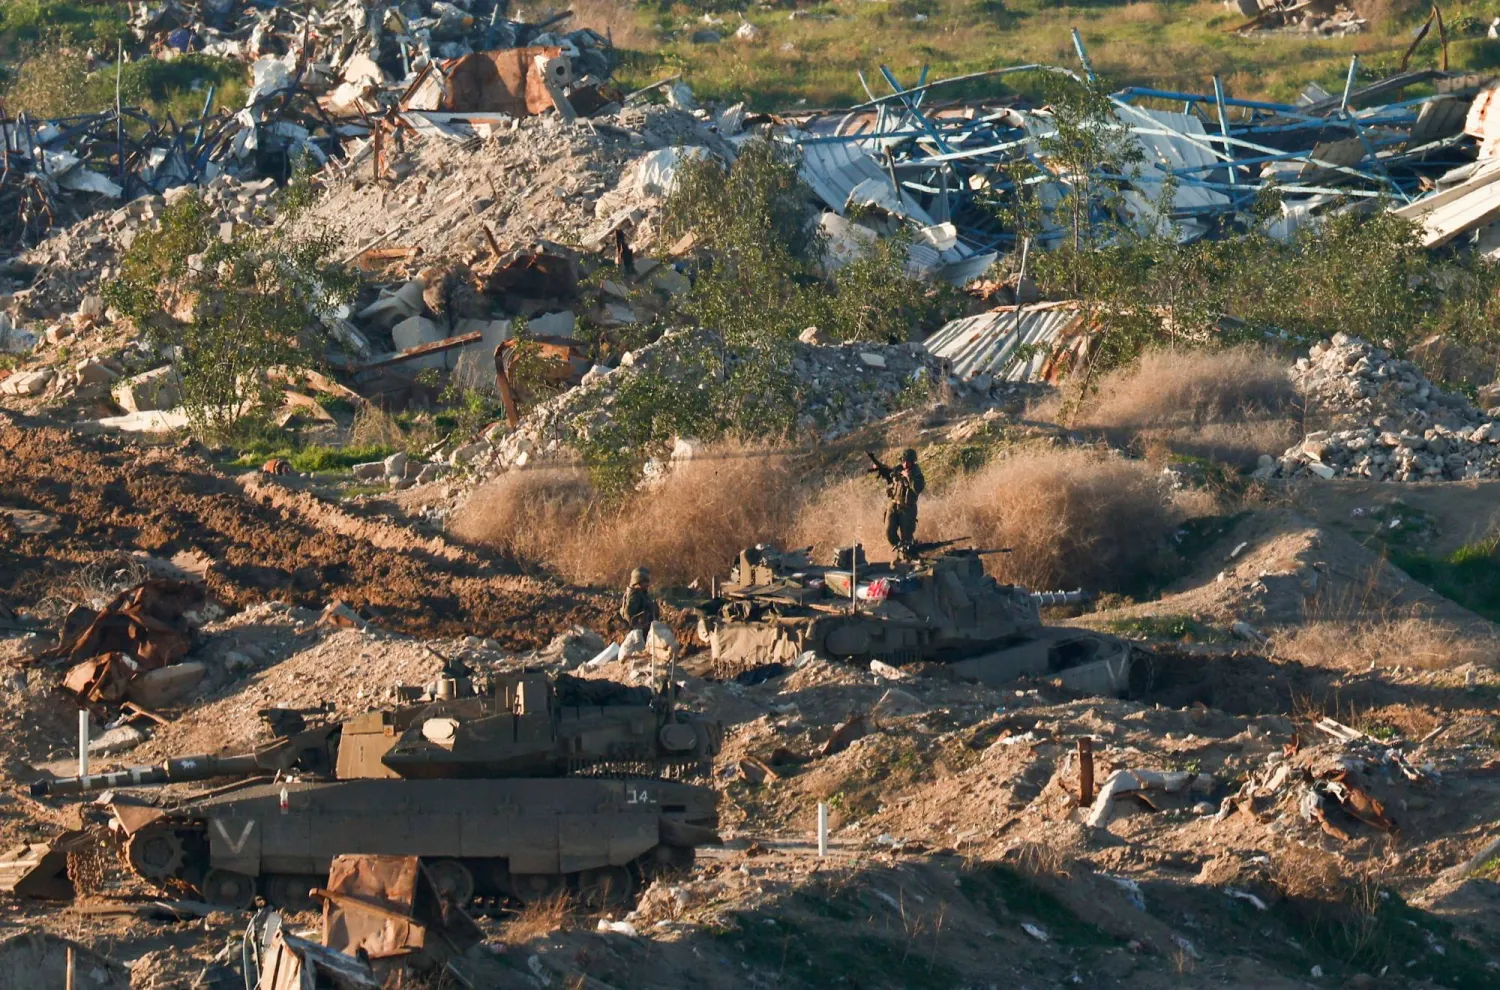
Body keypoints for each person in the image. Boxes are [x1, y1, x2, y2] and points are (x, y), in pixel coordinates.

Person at [881, 448, 925, 550]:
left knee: (907, 538)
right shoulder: (898, 470)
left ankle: (909, 555)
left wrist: (908, 476)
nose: (904, 463)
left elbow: (918, 488)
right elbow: (890, 478)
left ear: (912, 462)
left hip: (907, 509)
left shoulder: (917, 475)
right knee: (889, 532)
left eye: (907, 461)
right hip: (893, 506)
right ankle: (900, 549)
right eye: (903, 461)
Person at [619, 566, 658, 634]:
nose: (648, 584)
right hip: (639, 635)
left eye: (648, 581)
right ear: (637, 581)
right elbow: (629, 616)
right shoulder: (635, 595)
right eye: (645, 581)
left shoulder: (641, 593)